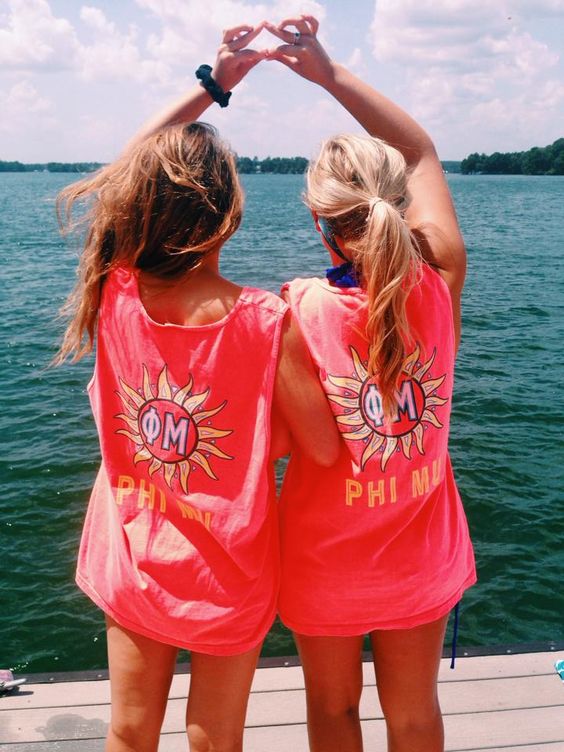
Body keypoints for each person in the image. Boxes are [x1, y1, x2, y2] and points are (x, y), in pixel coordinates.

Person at [54, 23, 340, 752]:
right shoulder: (268, 321)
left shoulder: (115, 292)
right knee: (216, 739)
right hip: (229, 574)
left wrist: (213, 85)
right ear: (228, 216)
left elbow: (125, 168)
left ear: (136, 207)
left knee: (128, 730)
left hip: (129, 554)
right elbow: (321, 448)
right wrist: (256, 433)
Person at [264, 16, 477, 752]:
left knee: (333, 712)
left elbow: (307, 445)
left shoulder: (295, 311)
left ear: (320, 224)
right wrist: (330, 75)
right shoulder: (441, 280)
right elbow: (420, 150)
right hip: (423, 555)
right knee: (414, 715)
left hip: (324, 562)